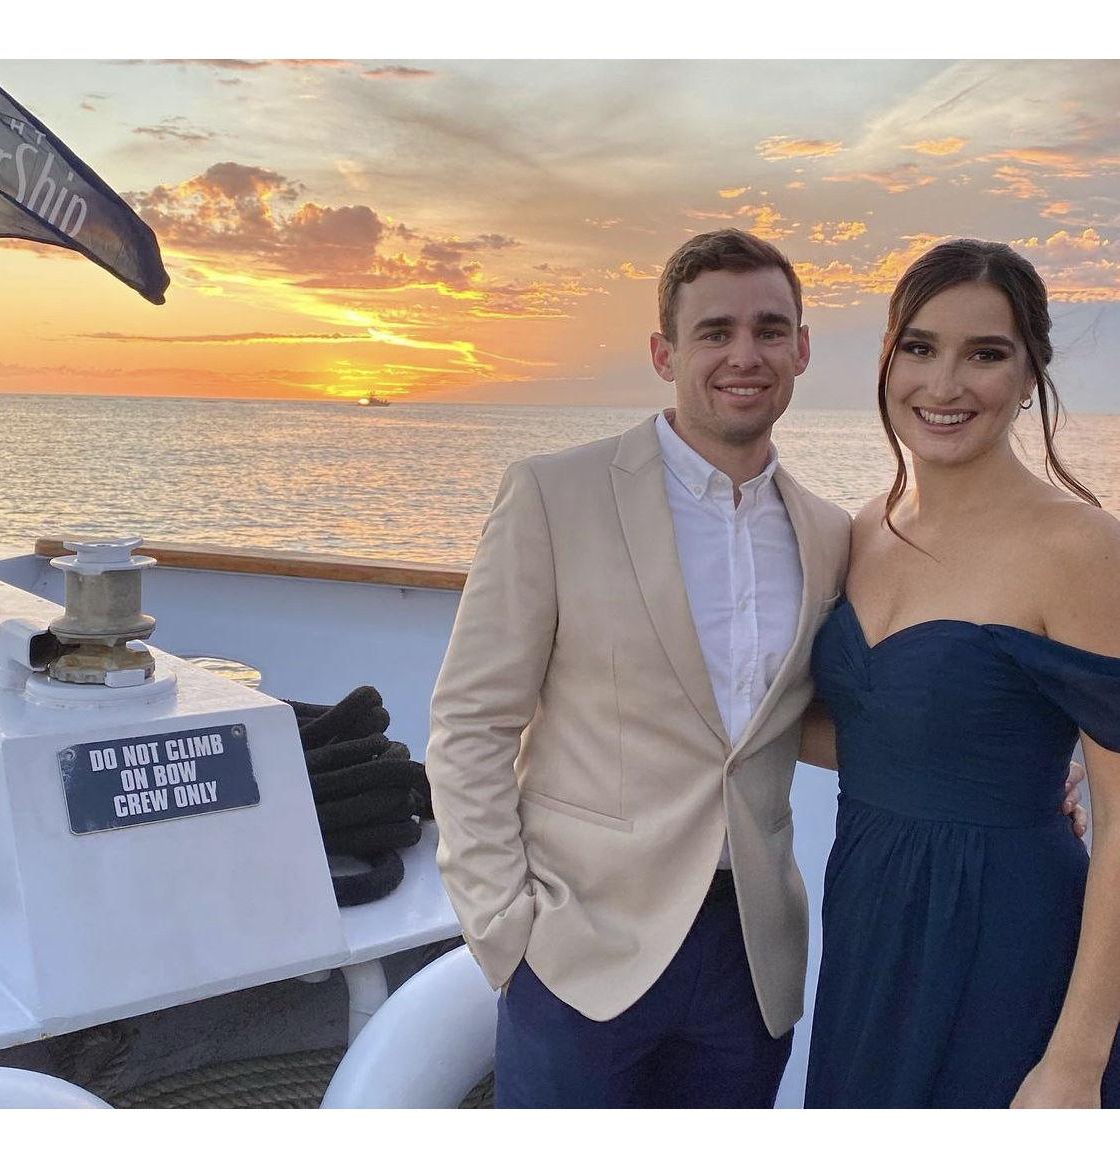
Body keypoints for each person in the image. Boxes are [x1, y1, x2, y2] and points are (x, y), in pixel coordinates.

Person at [426, 229, 1085, 1109]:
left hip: (752, 962)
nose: (746, 355)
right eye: (715, 332)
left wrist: (1016, 763)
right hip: (582, 954)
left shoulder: (830, 533)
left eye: (770, 331)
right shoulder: (554, 495)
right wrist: (504, 930)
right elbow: (471, 723)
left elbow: (825, 713)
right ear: (664, 353)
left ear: (802, 349)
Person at [802, 239, 1120, 1108]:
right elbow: (876, 735)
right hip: (870, 923)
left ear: (1029, 376)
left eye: (985, 354)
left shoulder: (1080, 548)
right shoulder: (862, 530)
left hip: (1007, 938)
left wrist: (1076, 1061)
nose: (944, 385)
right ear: (887, 356)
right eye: (920, 347)